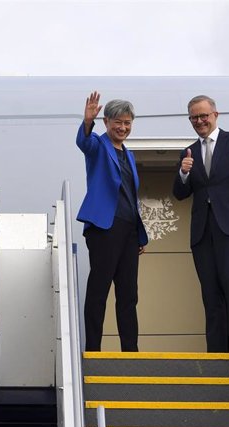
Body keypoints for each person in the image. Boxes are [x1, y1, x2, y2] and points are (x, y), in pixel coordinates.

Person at [173, 95, 229, 353]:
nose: (199, 121)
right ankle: (216, 351)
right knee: (210, 292)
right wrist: (183, 172)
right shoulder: (188, 152)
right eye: (194, 117)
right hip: (203, 231)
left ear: (216, 115)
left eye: (204, 115)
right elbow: (179, 193)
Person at [76, 91, 148, 352]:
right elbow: (84, 143)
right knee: (99, 290)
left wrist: (139, 234)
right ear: (106, 122)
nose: (123, 127)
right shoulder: (98, 145)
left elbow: (131, 195)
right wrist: (87, 122)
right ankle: (93, 349)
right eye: (118, 122)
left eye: (127, 122)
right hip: (104, 228)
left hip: (129, 230)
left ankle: (131, 350)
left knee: (129, 294)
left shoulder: (128, 154)